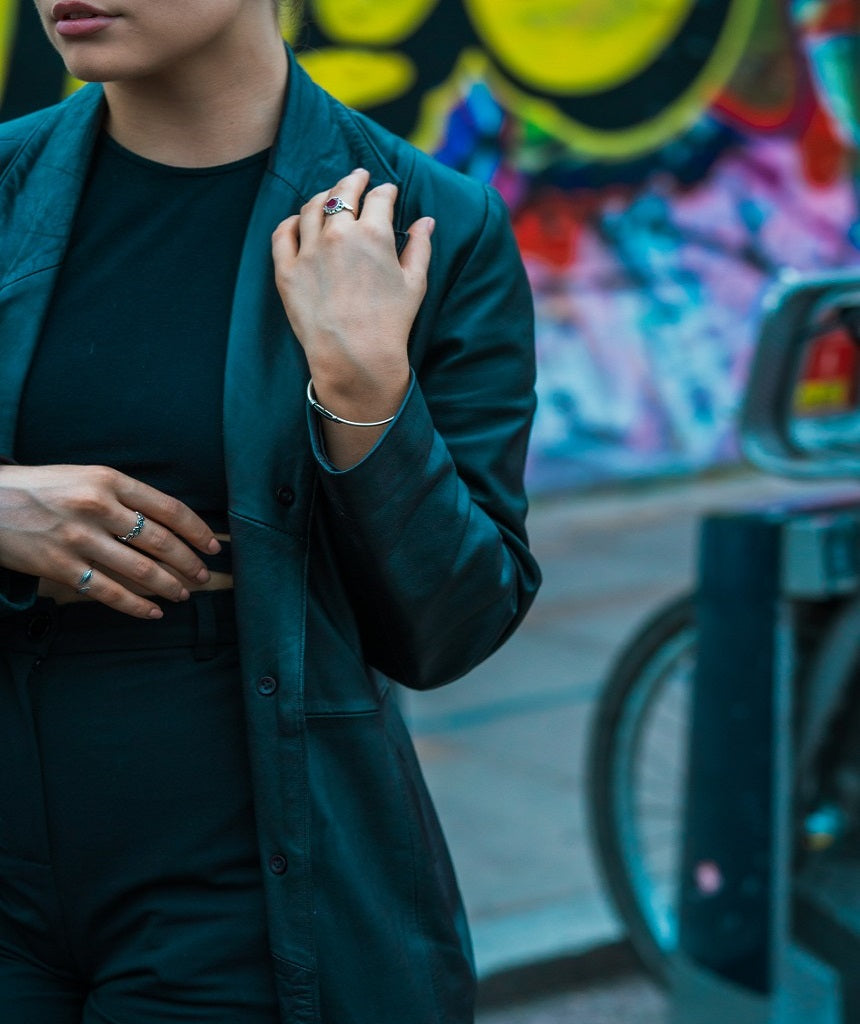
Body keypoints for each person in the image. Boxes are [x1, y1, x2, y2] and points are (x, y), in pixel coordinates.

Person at [0, 0, 541, 1021]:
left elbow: (455, 623)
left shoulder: (426, 223)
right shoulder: (4, 187)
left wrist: (365, 396)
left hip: (240, 887)